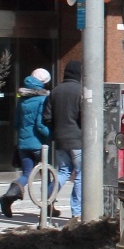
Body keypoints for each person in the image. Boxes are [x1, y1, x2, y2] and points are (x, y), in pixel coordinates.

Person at [0, 68, 53, 219]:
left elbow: (16, 123)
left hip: (23, 143)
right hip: (39, 144)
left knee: (27, 173)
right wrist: (51, 135)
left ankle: (10, 193)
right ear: (44, 83)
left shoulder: (22, 98)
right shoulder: (43, 99)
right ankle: (47, 207)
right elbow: (40, 125)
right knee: (46, 174)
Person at [44, 61, 83, 220]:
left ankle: (46, 199)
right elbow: (85, 117)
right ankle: (77, 212)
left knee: (63, 172)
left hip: (60, 139)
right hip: (78, 139)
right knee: (81, 175)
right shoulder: (81, 91)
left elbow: (47, 118)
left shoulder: (55, 91)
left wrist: (56, 131)